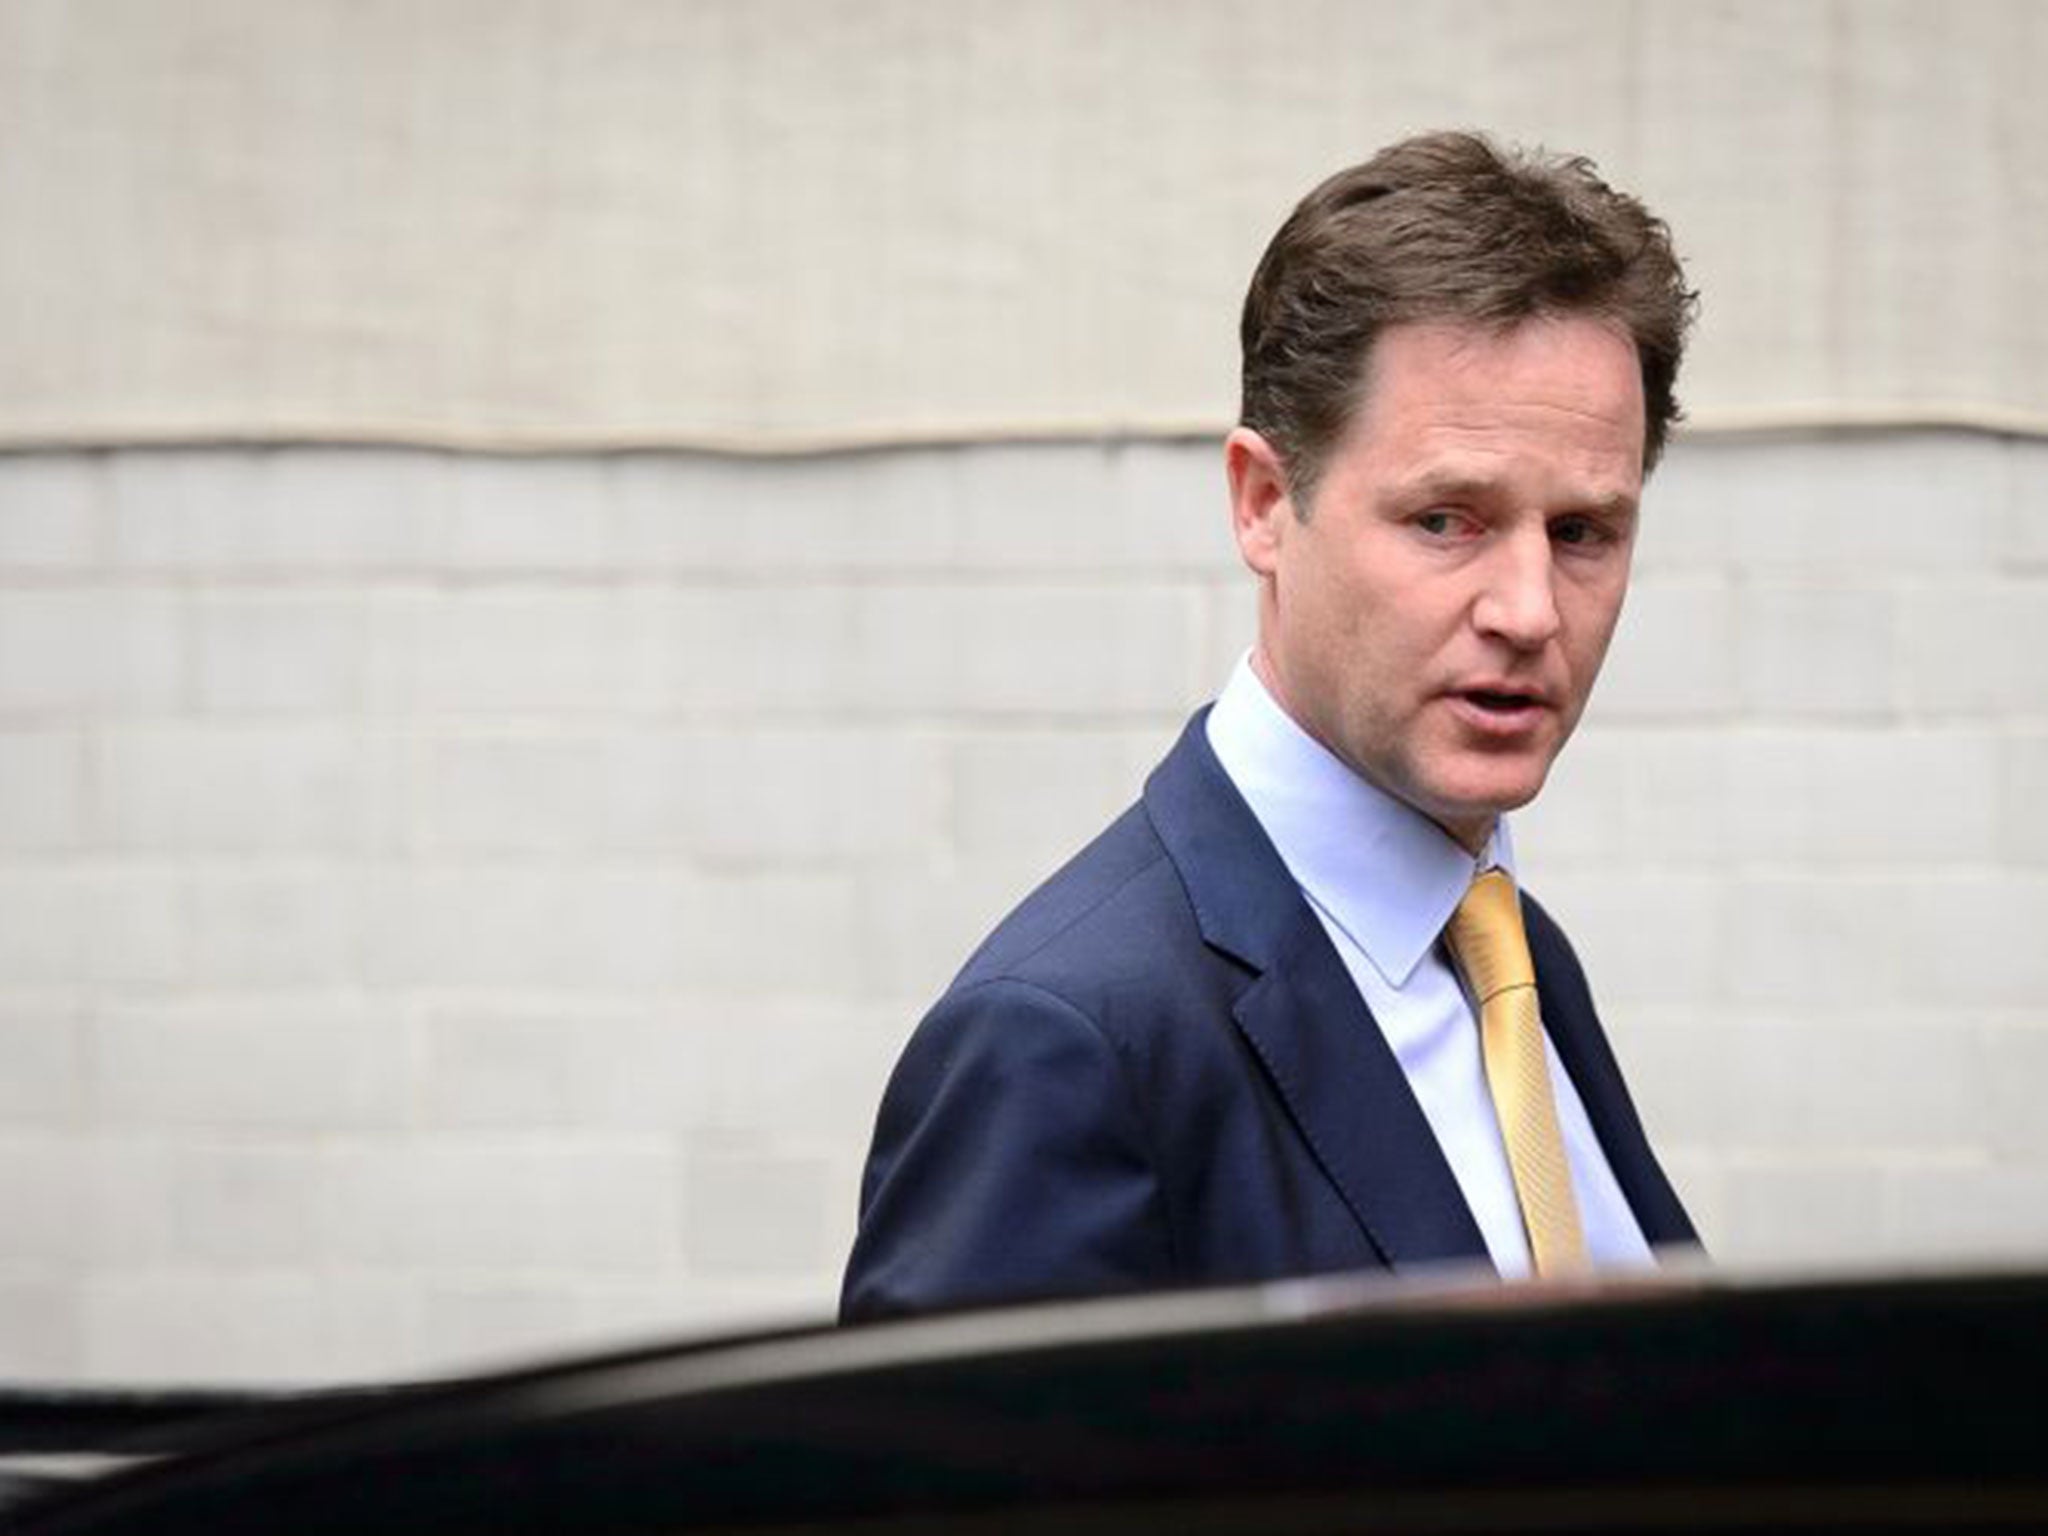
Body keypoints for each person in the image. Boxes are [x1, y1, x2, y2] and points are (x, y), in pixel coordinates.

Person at [842, 130, 1700, 1322]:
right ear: (1260, 503)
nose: (1525, 611)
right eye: (1445, 520)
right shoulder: (1067, 1045)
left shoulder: (1509, 955)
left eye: (1581, 533)